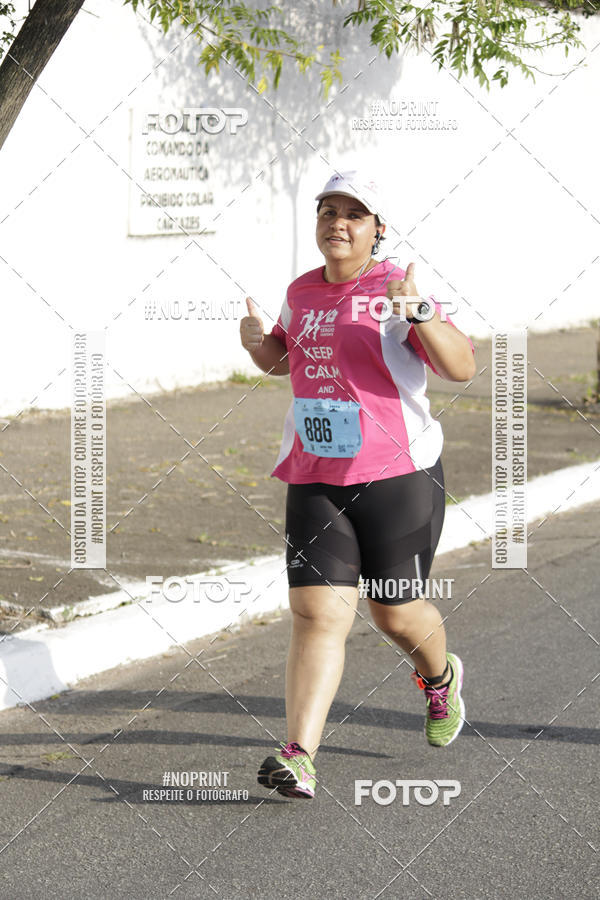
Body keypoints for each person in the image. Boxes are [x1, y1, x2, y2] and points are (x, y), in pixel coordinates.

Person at [239, 170, 476, 800]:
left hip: (399, 474)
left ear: (378, 229)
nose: (336, 223)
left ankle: (440, 679)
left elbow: (462, 367)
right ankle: (299, 756)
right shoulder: (300, 291)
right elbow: (289, 360)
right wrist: (259, 347)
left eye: (353, 214)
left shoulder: (394, 289)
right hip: (316, 471)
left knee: (395, 614)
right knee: (317, 613)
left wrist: (419, 312)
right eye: (327, 211)